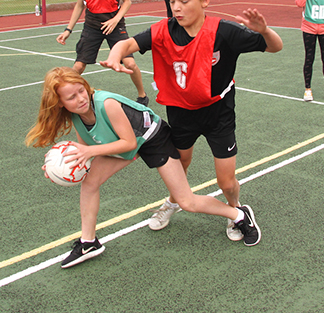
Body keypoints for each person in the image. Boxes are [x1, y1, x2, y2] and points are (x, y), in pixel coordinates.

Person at [101, 0, 283, 242]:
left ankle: (236, 211)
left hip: (218, 113)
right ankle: (173, 201)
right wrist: (115, 55)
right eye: (172, 1)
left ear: (204, 0)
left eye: (184, 1)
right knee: (180, 164)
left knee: (226, 180)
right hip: (181, 113)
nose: (176, 7)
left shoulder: (225, 32)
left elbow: (275, 46)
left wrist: (265, 31)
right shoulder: (163, 30)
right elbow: (126, 44)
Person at [25, 67, 261, 269]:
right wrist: (65, 168)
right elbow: (90, 148)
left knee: (187, 201)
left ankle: (240, 214)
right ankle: (88, 243)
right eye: (71, 97)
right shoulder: (76, 115)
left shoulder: (106, 104)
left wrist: (89, 152)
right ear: (60, 104)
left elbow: (127, 143)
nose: (80, 98)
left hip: (153, 139)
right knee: (89, 183)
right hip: (123, 144)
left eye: (81, 90)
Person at [56, 0, 148, 105]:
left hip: (115, 24)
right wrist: (68, 30)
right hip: (92, 25)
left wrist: (115, 19)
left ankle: (142, 96)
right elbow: (79, 6)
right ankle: (63, 99)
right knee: (78, 68)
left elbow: (127, 1)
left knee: (130, 64)